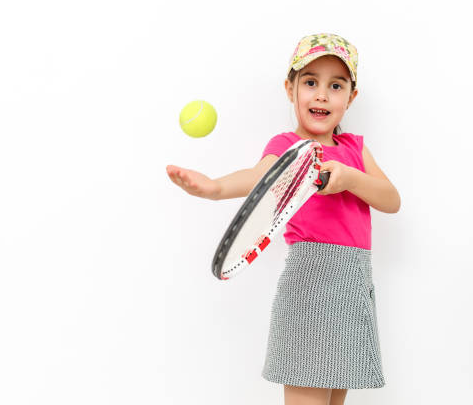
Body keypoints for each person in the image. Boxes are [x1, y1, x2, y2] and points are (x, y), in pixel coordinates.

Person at [166, 33, 401, 405]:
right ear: (290, 89)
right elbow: (258, 176)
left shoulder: (355, 148)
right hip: (311, 286)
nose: (321, 94)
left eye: (335, 85)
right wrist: (213, 188)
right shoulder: (288, 148)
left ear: (351, 98)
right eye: (310, 82)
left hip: (354, 284)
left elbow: (391, 200)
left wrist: (348, 178)